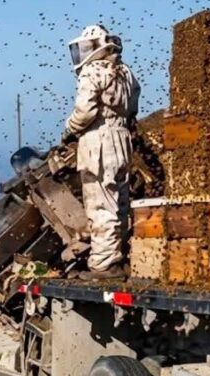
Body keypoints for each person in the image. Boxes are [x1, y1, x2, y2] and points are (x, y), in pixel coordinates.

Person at [62, 25, 141, 281]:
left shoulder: (93, 71)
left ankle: (104, 265)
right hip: (122, 139)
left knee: (100, 204)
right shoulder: (127, 73)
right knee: (119, 203)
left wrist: (69, 129)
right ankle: (118, 258)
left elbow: (85, 113)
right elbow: (133, 109)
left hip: (98, 141)